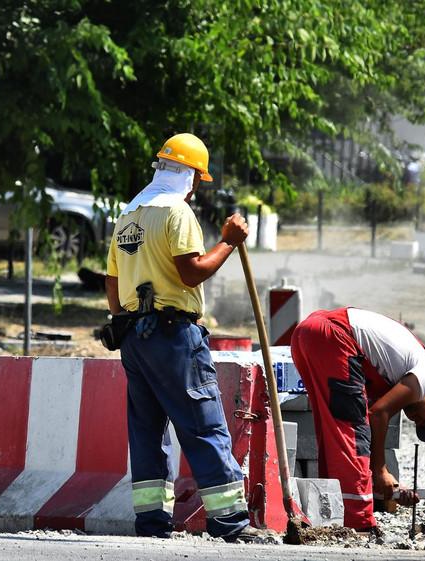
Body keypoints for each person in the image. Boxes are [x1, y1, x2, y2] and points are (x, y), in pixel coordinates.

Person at [104, 133, 260, 542]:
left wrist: (134, 324)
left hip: (134, 337)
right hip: (173, 334)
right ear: (190, 175)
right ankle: (231, 523)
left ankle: (152, 524)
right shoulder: (176, 213)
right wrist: (229, 241)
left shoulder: (128, 214)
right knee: (203, 424)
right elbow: (191, 271)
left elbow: (112, 285)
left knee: (147, 431)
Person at [290, 307, 425, 531]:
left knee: (333, 432)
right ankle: (357, 523)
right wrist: (381, 470)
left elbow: (372, 418)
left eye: (418, 425)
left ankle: (332, 515)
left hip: (307, 333)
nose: (416, 420)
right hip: (335, 336)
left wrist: (391, 487)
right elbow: (378, 414)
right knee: (352, 435)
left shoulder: (394, 374)